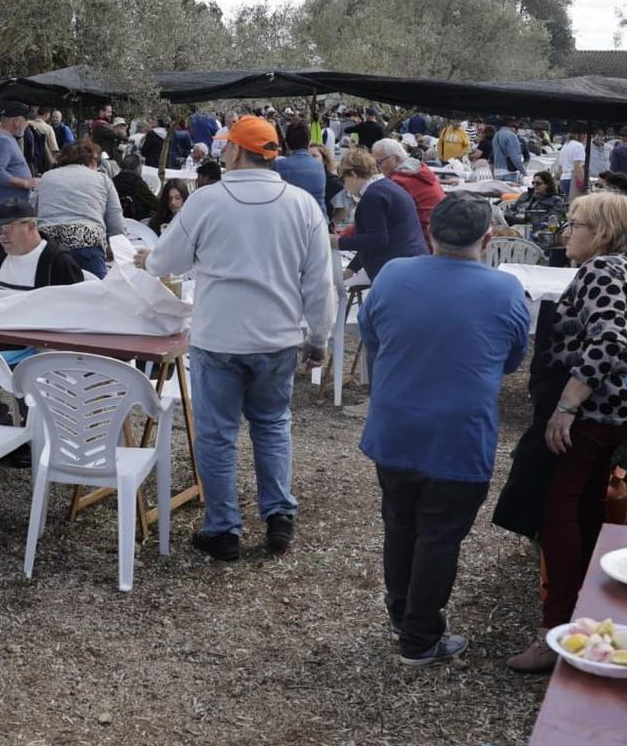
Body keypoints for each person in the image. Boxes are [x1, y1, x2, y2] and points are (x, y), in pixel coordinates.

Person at [141, 115, 338, 561]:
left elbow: (163, 261)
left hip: (221, 336)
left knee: (217, 434)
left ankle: (224, 528)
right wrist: (320, 338)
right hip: (278, 334)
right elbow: (318, 282)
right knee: (271, 424)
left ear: (235, 151)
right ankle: (278, 515)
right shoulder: (302, 204)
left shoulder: (208, 200)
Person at [360, 195, 531, 665]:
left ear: (430, 233)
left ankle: (404, 616)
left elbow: (371, 333)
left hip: (394, 426)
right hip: (459, 434)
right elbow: (512, 359)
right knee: (438, 534)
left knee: (399, 522)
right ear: (488, 239)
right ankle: (418, 635)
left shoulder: (393, 274)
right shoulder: (506, 289)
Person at [507, 193, 627, 673]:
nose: (568, 232)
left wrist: (566, 407)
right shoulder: (624, 270)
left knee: (556, 511)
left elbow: (609, 341)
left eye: (577, 224)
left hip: (594, 414)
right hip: (612, 415)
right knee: (586, 508)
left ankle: (559, 631)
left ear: (604, 232)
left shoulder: (602, 272)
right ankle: (591, 612)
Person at [33, 139, 124, 278]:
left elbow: (33, 210)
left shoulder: (46, 177)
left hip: (48, 245)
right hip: (87, 243)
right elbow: (115, 220)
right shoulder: (102, 179)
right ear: (92, 161)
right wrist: (114, 247)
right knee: (95, 295)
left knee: (50, 296)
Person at [336, 148, 428, 279]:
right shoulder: (386, 187)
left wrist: (338, 242)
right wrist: (352, 268)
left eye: (343, 179)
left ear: (353, 175)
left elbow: (377, 240)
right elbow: (379, 235)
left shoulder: (372, 196)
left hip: (397, 270)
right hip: (411, 262)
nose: (345, 186)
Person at [0, 198, 84, 290]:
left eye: (8, 227)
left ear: (31, 226)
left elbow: (75, 306)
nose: (2, 234)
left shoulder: (58, 262)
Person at [373, 138, 444, 239]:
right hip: (439, 237)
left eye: (379, 162)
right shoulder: (419, 169)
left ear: (396, 159)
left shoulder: (399, 182)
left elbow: (379, 220)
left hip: (424, 240)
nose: (377, 168)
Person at [0, 102, 36, 223]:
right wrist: (25, 183)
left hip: (3, 209)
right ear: (17, 121)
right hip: (4, 212)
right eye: (26, 122)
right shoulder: (2, 141)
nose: (27, 126)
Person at [273, 123, 328, 212]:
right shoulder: (319, 166)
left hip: (294, 220)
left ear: (287, 144)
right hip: (320, 218)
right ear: (309, 142)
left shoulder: (278, 165)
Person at [507, 170, 567, 240]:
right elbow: (511, 210)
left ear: (547, 185)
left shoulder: (556, 200)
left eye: (538, 183)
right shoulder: (526, 195)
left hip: (536, 230)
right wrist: (515, 215)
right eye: (533, 183)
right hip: (516, 225)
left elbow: (553, 219)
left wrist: (527, 216)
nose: (535, 185)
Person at [558, 130, 588, 198]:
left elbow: (560, 167)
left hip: (563, 178)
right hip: (572, 180)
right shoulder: (579, 146)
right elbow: (577, 166)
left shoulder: (565, 145)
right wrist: (582, 183)